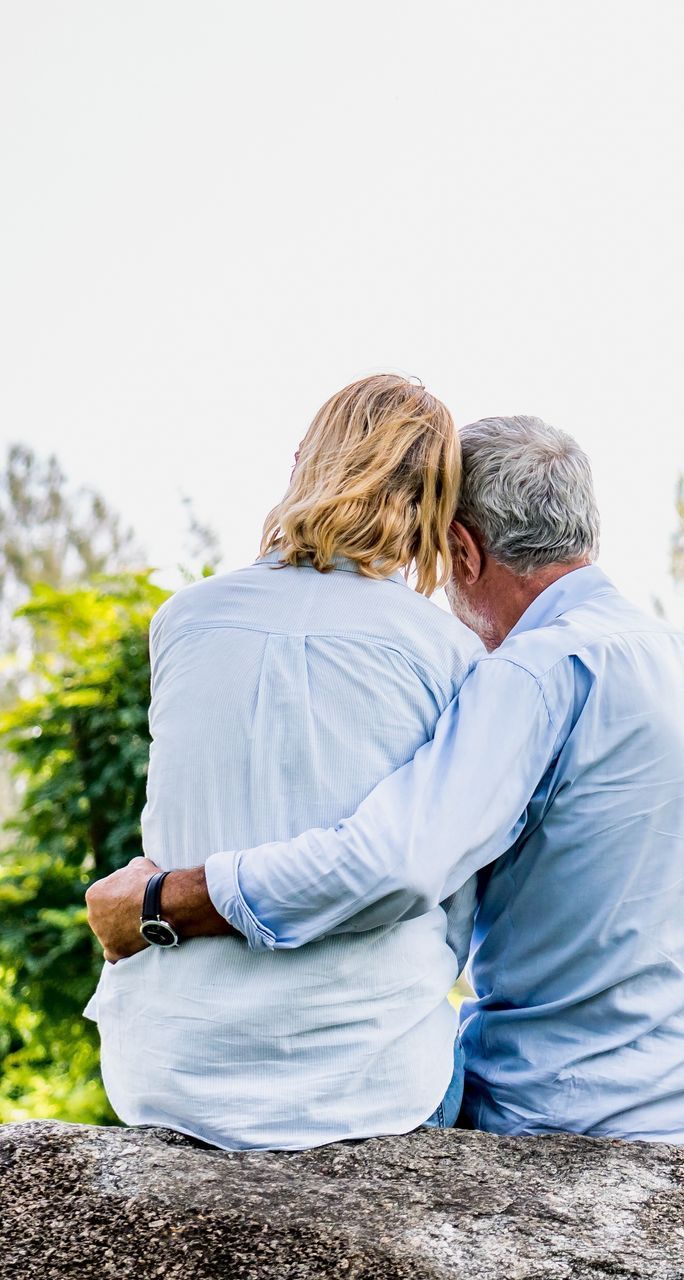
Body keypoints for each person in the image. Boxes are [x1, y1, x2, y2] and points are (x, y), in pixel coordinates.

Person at [88, 415, 684, 1145]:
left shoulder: (532, 674)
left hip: (576, 1110)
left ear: (460, 549)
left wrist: (166, 899)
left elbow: (393, 864)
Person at [85, 373, 479, 1150]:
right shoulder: (453, 655)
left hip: (168, 1072)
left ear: (304, 460)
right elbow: (450, 895)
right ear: (439, 511)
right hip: (368, 1084)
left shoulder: (184, 620)